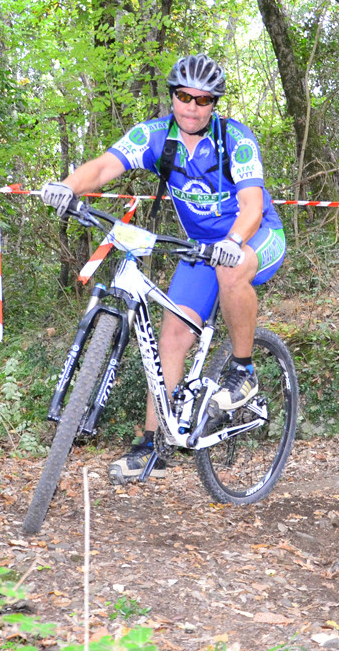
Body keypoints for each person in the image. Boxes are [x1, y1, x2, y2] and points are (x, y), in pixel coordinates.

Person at [40, 54, 286, 483]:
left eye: (203, 99)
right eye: (184, 96)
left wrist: (232, 242)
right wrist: (67, 186)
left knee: (231, 270)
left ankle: (243, 371)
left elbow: (251, 205)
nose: (192, 106)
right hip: (200, 249)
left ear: (214, 104)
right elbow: (103, 166)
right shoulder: (155, 136)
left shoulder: (236, 139)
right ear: (172, 97)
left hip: (254, 237)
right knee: (172, 337)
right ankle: (152, 446)